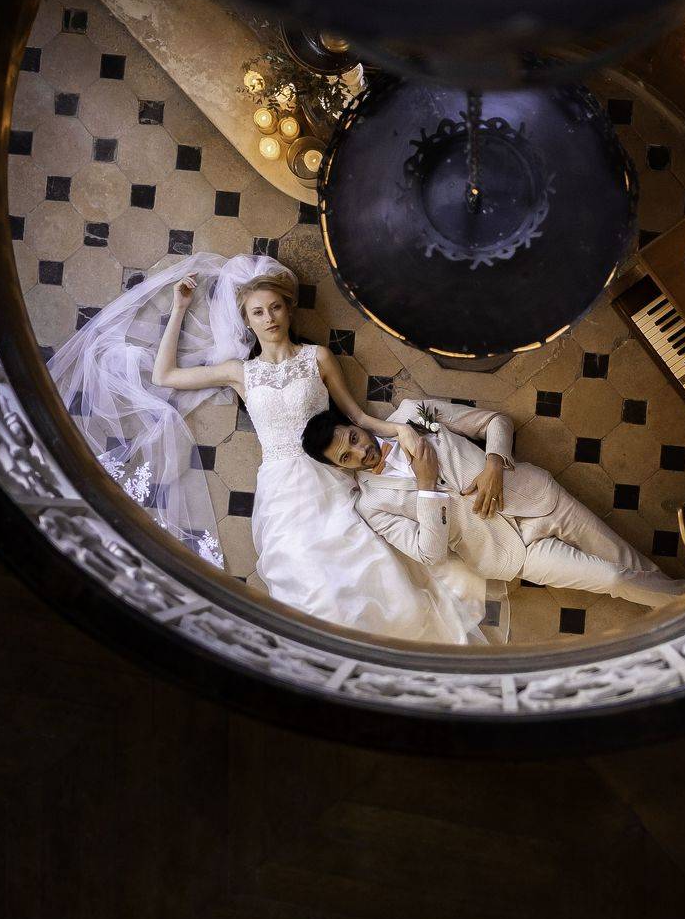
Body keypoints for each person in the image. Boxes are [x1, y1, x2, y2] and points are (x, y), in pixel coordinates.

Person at [47, 253, 487, 643]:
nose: (269, 318)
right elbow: (165, 376)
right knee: (304, 575)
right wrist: (180, 307)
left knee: (362, 562)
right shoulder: (241, 372)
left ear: (288, 309)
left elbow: (355, 415)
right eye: (258, 312)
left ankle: (385, 640)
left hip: (329, 474)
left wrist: (400, 430)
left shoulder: (318, 357)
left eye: (275, 307)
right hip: (280, 485)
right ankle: (334, 652)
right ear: (247, 319)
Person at [303, 399, 685, 608]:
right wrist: (426, 487)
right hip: (509, 553)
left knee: (629, 564)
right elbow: (430, 554)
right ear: (340, 468)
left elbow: (495, 421)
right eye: (346, 458)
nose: (361, 453)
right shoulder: (372, 507)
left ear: (355, 426)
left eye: (353, 439)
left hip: (536, 497)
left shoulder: (411, 415)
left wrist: (493, 462)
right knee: (613, 579)